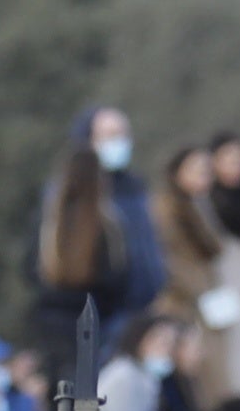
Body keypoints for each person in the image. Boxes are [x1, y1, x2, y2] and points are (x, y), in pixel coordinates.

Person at [25, 107, 160, 379]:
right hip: (92, 321)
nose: (118, 142)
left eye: (122, 134)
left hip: (131, 319)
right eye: (109, 135)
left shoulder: (136, 192)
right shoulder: (60, 201)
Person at [156, 143, 240, 411]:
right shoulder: (166, 210)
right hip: (185, 305)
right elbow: (172, 260)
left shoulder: (201, 207)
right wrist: (201, 292)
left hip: (209, 303)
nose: (203, 177)